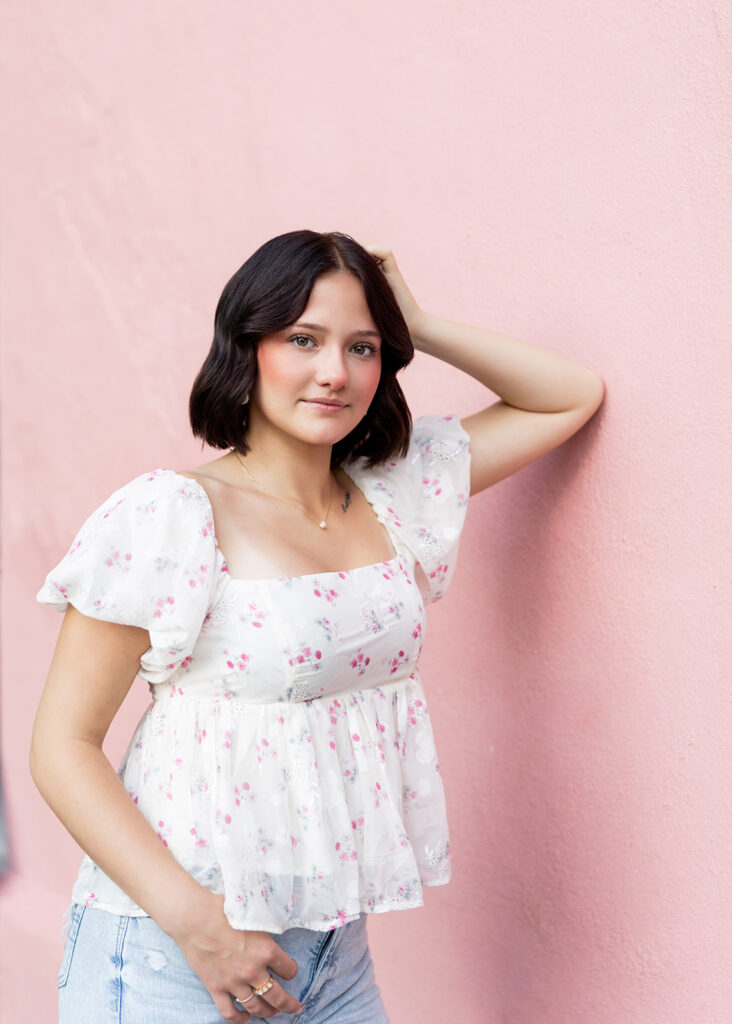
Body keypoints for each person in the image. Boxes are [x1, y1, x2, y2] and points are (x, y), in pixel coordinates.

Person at [31, 230, 604, 1023]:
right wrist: (202, 931)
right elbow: (62, 746)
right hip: (176, 954)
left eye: (362, 347)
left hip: (333, 956)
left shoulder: (392, 493)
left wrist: (418, 324)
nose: (335, 372)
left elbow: (568, 395)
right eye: (303, 339)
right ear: (247, 349)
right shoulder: (172, 514)